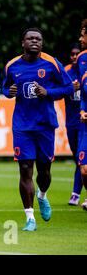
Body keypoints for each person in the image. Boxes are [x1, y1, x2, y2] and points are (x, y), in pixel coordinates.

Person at [3, 28, 73, 231]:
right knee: (25, 169)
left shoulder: (51, 63)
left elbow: (68, 88)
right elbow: (5, 87)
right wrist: (9, 92)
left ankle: (42, 195)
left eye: (38, 39)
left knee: (44, 171)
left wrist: (48, 92)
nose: (34, 41)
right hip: (22, 126)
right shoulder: (12, 65)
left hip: (45, 125)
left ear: (42, 43)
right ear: (22, 42)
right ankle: (30, 218)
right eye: (30, 38)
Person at [63, 43, 82, 206]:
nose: (74, 56)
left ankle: (76, 193)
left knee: (82, 159)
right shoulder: (65, 71)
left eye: (77, 53)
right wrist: (70, 88)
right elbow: (55, 92)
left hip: (85, 121)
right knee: (78, 158)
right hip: (71, 122)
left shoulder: (85, 68)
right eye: (72, 54)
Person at [77, 18, 87, 211]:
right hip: (84, 125)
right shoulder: (82, 60)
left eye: (83, 34)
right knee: (84, 169)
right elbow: (83, 94)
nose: (80, 38)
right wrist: (82, 110)